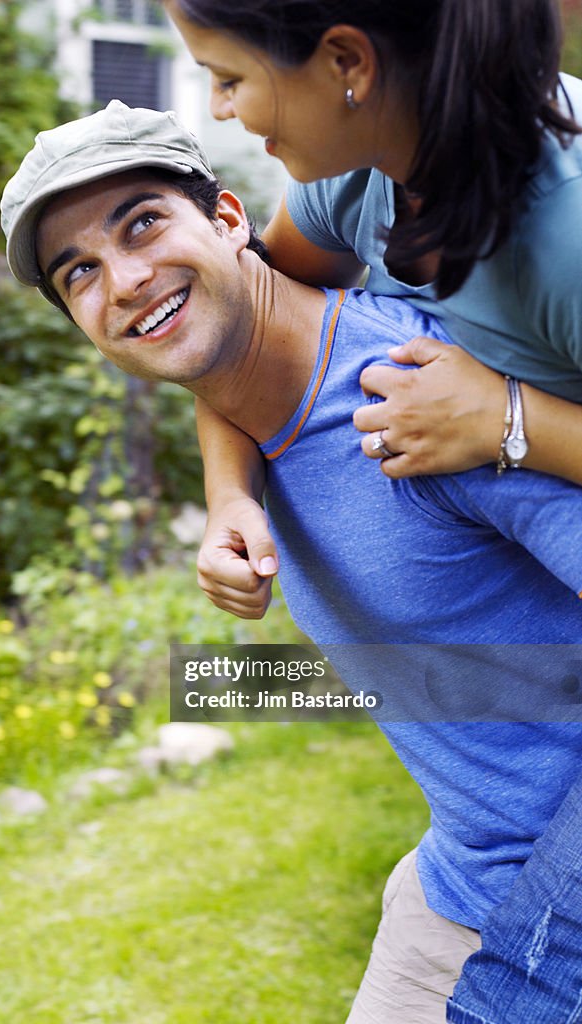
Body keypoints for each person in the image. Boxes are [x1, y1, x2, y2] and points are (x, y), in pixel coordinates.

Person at [0, 101, 582, 1024]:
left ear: (231, 220)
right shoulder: (255, 405)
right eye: (80, 273)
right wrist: (228, 496)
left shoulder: (411, 395)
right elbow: (244, 380)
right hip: (459, 877)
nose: (126, 279)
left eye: (142, 223)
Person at [162, 5, 582, 1021]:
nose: (222, 113)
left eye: (228, 77)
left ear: (345, 60)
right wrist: (229, 492)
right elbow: (241, 316)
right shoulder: (361, 177)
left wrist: (508, 419)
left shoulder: (565, 238)